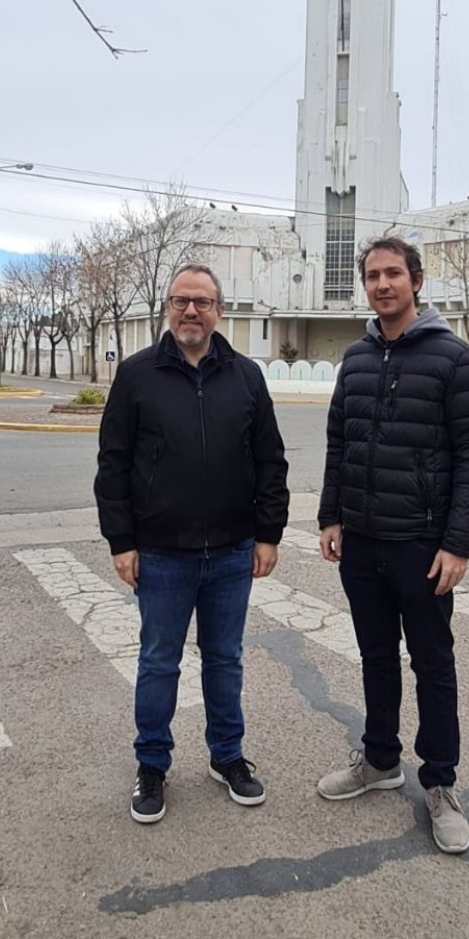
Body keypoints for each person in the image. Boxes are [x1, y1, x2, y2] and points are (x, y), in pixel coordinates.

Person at [95, 264, 289, 824]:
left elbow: (269, 460)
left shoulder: (247, 376)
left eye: (202, 302)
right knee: (159, 662)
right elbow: (113, 464)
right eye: (181, 301)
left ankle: (227, 756)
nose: (190, 312)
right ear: (166, 308)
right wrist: (122, 541)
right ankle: (152, 764)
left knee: (224, 659)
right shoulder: (136, 376)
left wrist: (268, 533)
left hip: (231, 551)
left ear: (219, 311)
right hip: (160, 552)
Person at [317, 236, 469, 854]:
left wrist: (458, 543)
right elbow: (340, 441)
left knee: (433, 664)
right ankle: (379, 760)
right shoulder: (356, 358)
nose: (382, 284)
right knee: (374, 658)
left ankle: (440, 783)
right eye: (372, 275)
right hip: (361, 541)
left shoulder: (453, 359)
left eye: (393, 273)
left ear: (416, 280)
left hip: (421, 546)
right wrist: (330, 516)